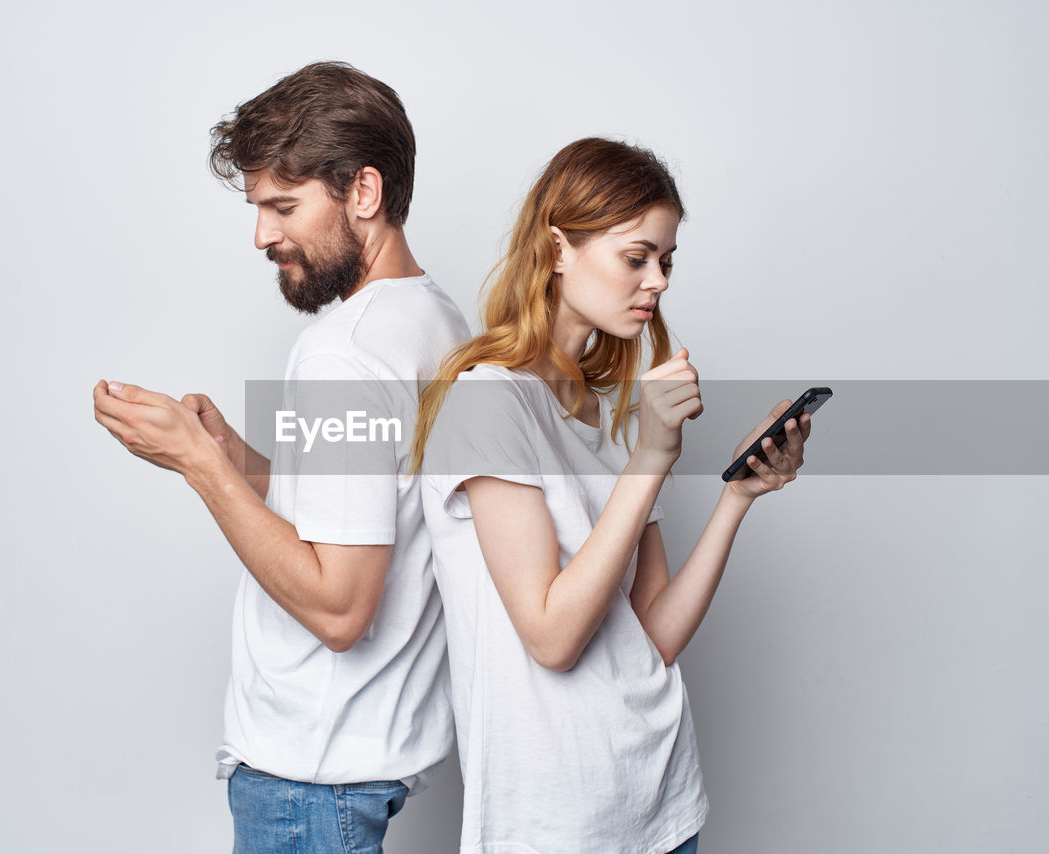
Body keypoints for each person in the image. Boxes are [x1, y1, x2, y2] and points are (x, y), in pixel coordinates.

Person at [92, 61, 467, 853]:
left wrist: (200, 467)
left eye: (283, 206)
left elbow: (340, 607)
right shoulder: (435, 320)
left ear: (363, 193)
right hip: (361, 765)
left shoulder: (342, 353)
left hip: (307, 778)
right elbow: (363, 499)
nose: (262, 234)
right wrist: (229, 453)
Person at [411, 137, 813, 853]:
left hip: (661, 800)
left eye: (666, 261)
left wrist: (737, 499)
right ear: (559, 248)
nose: (656, 281)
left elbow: (651, 635)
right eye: (637, 257)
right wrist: (652, 459)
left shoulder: (607, 412)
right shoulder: (488, 404)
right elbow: (552, 637)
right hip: (558, 825)